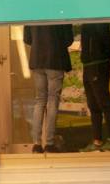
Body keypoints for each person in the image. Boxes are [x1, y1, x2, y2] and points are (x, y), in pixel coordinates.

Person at [25, 24, 74, 154]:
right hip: (55, 60)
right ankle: (49, 143)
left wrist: (39, 43)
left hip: (37, 59)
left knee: (40, 101)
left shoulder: (30, 14)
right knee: (53, 100)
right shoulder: (60, 14)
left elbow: (27, 38)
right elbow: (68, 39)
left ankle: (36, 144)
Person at [78, 24, 110, 152]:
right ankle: (97, 141)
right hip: (87, 65)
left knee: (104, 103)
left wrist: (108, 57)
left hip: (98, 65)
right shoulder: (85, 23)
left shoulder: (99, 21)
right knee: (93, 105)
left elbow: (107, 39)